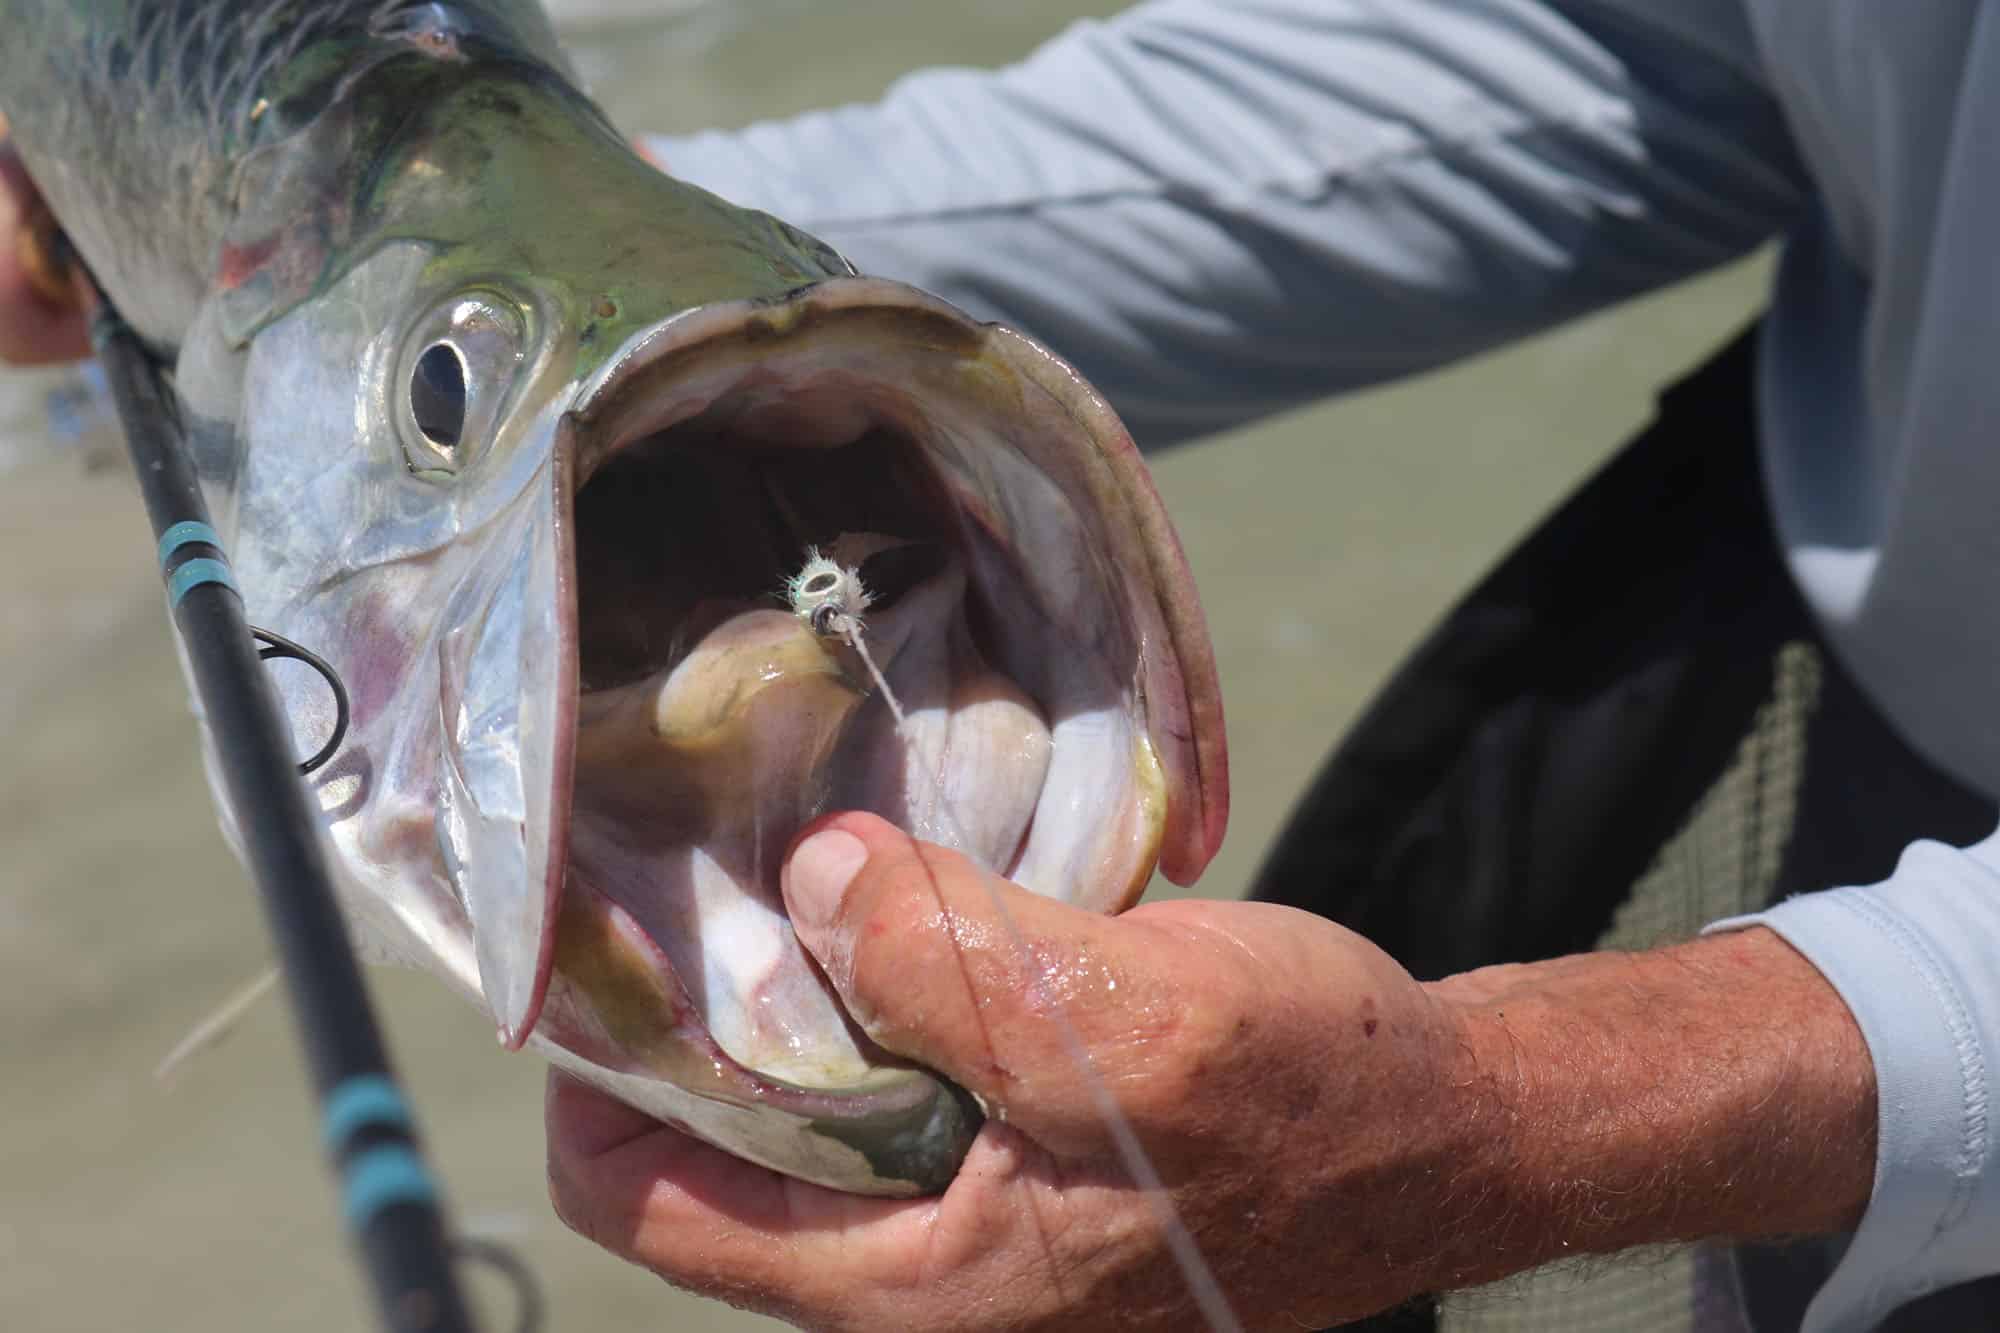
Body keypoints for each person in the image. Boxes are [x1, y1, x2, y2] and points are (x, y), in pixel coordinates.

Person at [7, 4, 1998, 1329]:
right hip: (1840, 609)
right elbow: (1646, 53)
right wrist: (691, 260)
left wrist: (1520, 1118)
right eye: (445, 390)